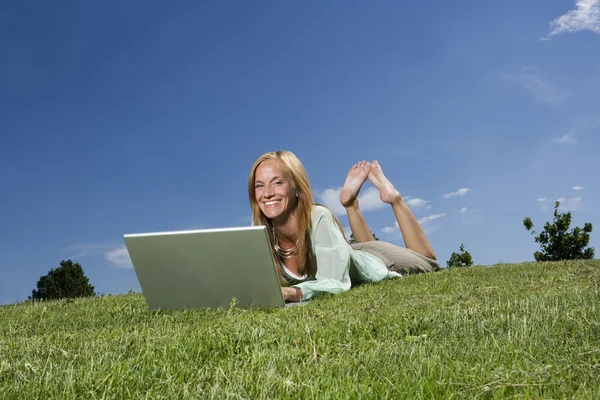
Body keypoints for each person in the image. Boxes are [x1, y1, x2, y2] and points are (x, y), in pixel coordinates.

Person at [249, 150, 439, 303]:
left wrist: (296, 292)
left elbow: (334, 282)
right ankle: (351, 204)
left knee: (429, 262)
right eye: (259, 186)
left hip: (375, 259)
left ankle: (393, 197)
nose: (267, 193)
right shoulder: (258, 233)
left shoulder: (318, 217)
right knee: (350, 257)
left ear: (297, 187)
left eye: (277, 183)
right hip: (341, 251)